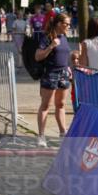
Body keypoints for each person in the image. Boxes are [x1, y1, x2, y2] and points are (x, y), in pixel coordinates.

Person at [34, 12, 72, 147]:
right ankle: (41, 136)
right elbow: (38, 56)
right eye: (66, 24)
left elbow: (64, 54)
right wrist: (51, 46)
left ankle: (63, 132)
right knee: (46, 105)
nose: (68, 26)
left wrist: (67, 67)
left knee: (61, 104)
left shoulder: (64, 37)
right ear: (58, 24)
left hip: (63, 74)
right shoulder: (47, 37)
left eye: (69, 24)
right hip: (50, 74)